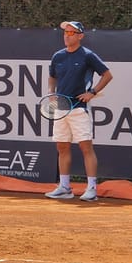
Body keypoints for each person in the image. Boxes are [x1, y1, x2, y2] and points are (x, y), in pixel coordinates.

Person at [44, 21, 113, 202]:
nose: (67, 35)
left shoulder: (88, 56)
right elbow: (52, 76)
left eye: (72, 33)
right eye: (65, 32)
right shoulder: (57, 56)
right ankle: (65, 187)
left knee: (85, 148)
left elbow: (107, 75)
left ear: (80, 36)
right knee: (62, 147)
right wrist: (51, 92)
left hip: (80, 108)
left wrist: (92, 92)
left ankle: (91, 189)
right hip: (61, 108)